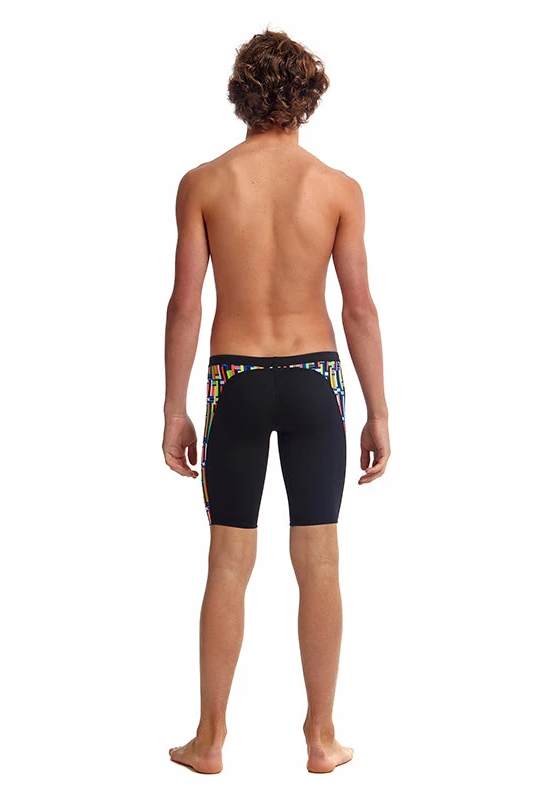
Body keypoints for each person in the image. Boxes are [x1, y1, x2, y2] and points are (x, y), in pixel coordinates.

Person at [162, 28, 390, 774]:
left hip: (234, 382)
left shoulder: (203, 183)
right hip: (315, 382)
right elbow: (359, 309)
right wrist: (379, 410)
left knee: (229, 562)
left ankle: (209, 741)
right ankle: (321, 739)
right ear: (308, 96)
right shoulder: (337, 188)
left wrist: (173, 408)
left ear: (241, 96)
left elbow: (185, 306)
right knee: (318, 561)